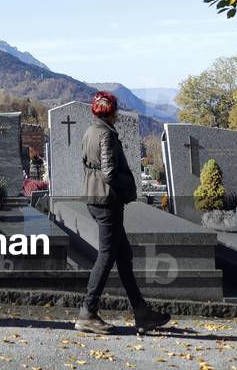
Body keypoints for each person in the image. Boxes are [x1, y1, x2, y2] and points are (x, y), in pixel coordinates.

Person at [74, 91, 170, 336]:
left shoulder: (90, 131)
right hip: (107, 201)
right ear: (112, 111)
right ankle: (87, 312)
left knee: (123, 255)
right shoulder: (105, 134)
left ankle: (141, 312)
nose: (117, 114)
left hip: (95, 198)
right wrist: (129, 185)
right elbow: (109, 173)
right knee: (107, 256)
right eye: (116, 110)